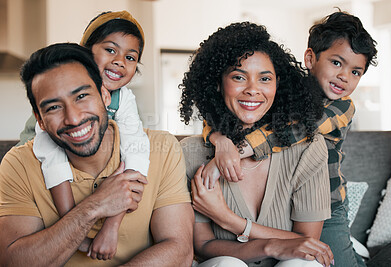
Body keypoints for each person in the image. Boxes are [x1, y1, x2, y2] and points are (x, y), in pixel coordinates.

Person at [201, 11, 377, 267]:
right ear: (310, 58)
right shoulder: (283, 93)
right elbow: (220, 116)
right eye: (337, 63)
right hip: (289, 202)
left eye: (356, 72)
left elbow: (296, 131)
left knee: (332, 261)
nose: (344, 76)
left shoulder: (343, 107)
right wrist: (220, 140)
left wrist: (237, 150)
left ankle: (356, 255)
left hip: (328, 206)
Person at [0, 43, 193, 266]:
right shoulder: (18, 165)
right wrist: (95, 205)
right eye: (53, 107)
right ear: (39, 119)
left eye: (81, 96)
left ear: (105, 95)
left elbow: (180, 250)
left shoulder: (162, 149)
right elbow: (13, 262)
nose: (73, 118)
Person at [180, 22, 334, 267]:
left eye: (265, 78)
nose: (253, 90)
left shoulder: (307, 148)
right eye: (239, 77)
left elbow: (306, 243)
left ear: (277, 84)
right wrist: (269, 245)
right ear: (218, 84)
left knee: (301, 264)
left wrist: (229, 220)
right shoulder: (192, 152)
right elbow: (204, 245)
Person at [16, 11, 151, 259]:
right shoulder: (52, 115)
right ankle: (72, 225)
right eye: (110, 50)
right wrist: (76, 223)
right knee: (51, 151)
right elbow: (40, 158)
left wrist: (111, 225)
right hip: (48, 170)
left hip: (105, 190)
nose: (120, 61)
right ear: (86, 52)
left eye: (130, 57)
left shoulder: (126, 102)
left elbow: (136, 149)